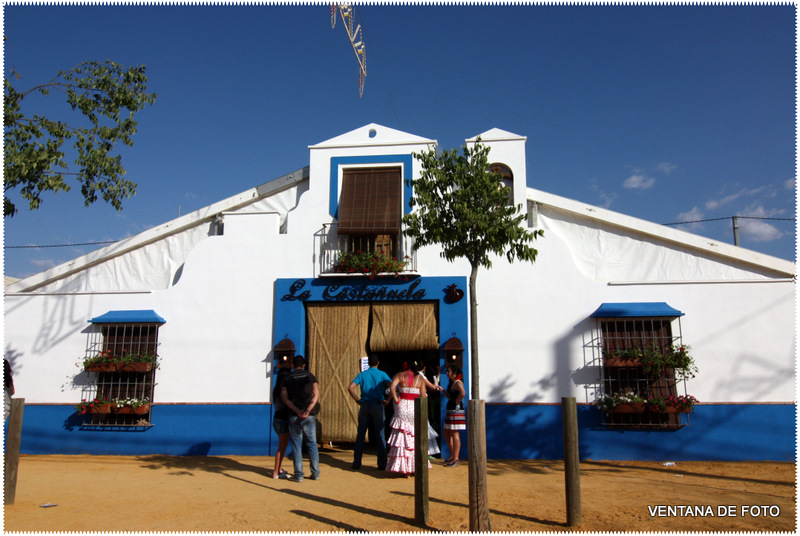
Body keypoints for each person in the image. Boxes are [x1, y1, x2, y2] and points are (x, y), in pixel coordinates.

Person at [385, 361, 433, 475]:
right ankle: (415, 466)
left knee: (402, 435)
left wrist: (396, 400)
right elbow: (423, 396)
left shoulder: (399, 375)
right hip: (414, 407)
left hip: (401, 406)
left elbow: (392, 387)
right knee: (414, 435)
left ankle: (404, 468)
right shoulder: (420, 378)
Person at [280, 355, 321, 482]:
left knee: (297, 444)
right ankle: (315, 473)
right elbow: (316, 394)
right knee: (312, 443)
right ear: (304, 365)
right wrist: (308, 410)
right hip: (309, 415)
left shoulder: (287, 378)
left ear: (292, 365)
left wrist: (297, 410)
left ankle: (299, 475)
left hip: (294, 415)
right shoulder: (310, 376)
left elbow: (284, 397)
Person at [348, 354, 391, 470]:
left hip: (365, 406)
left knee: (360, 434)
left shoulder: (362, 374)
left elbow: (350, 387)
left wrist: (357, 400)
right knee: (380, 435)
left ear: (368, 364)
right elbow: (392, 386)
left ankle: (357, 462)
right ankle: (382, 463)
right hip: (378, 405)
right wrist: (388, 400)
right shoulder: (382, 374)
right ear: (378, 363)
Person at [271, 356, 292, 479]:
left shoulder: (275, 390)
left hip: (276, 418)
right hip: (283, 419)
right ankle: (276, 472)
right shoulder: (284, 391)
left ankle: (278, 469)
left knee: (281, 446)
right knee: (282, 447)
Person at [440, 365, 466, 467]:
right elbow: (450, 396)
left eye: (449, 371)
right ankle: (453, 455)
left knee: (455, 434)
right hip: (451, 410)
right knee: (447, 432)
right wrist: (443, 390)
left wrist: (457, 401)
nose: (447, 373)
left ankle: (456, 458)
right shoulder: (453, 383)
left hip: (456, 410)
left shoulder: (458, 382)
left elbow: (463, 393)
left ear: (454, 373)